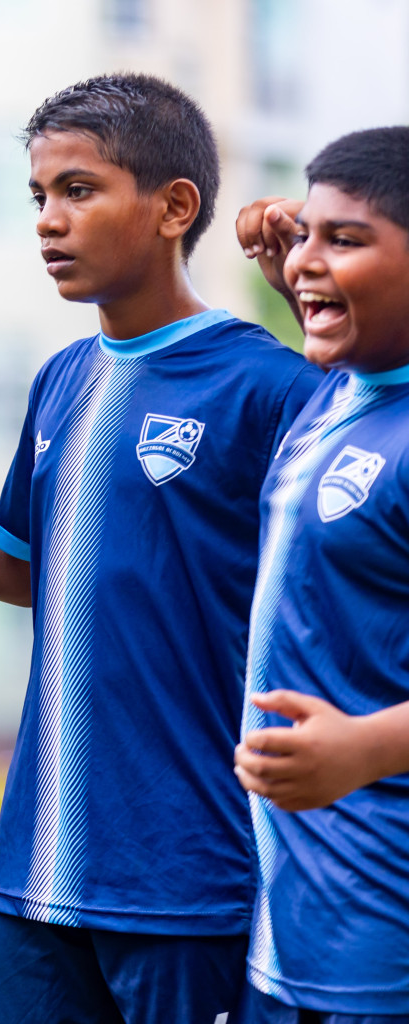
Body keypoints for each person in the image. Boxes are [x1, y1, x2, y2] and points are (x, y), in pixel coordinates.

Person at [0, 75, 323, 1022]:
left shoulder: (267, 386)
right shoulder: (61, 379)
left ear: (172, 208)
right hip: (35, 880)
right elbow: (22, 564)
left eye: (79, 190)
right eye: (38, 197)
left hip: (193, 882)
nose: (47, 221)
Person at [229, 127, 409, 1023]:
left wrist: (366, 748)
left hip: (387, 954)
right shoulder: (342, 393)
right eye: (305, 233)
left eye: (345, 239)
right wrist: (313, 266)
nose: (304, 259)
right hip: (290, 943)